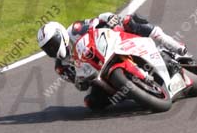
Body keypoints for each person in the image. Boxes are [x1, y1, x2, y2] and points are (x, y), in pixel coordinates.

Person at [37, 12, 188, 110]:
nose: (51, 49)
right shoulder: (61, 67)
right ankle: (133, 92)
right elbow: (79, 84)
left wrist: (110, 18)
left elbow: (97, 20)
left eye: (52, 43)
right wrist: (81, 82)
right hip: (101, 75)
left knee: (129, 20)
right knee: (91, 103)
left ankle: (170, 44)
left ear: (60, 34)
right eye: (47, 48)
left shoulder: (75, 30)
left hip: (112, 44)